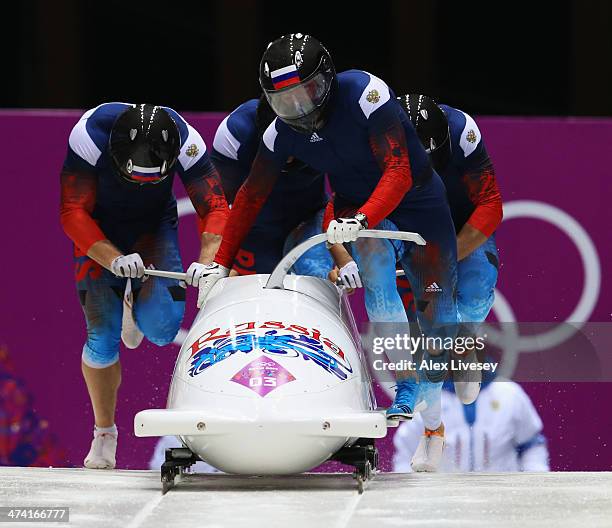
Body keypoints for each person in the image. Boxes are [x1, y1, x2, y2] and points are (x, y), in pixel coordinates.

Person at [194, 34, 459, 420]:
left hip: (418, 206)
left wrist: (361, 218)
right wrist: (220, 262)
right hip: (359, 215)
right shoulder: (279, 133)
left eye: (307, 93)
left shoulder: (367, 94)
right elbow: (250, 198)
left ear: (328, 80)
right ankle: (405, 387)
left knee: (440, 324)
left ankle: (435, 416)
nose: (299, 109)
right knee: (380, 292)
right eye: (285, 101)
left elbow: (399, 171)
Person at [60, 103, 229, 469]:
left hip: (152, 229)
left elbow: (215, 206)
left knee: (163, 330)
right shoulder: (89, 135)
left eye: (154, 179)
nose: (143, 185)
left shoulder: (187, 141)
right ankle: (104, 433)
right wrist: (112, 259)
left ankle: (133, 303)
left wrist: (208, 260)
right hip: (99, 230)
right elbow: (72, 211)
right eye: (135, 177)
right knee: (102, 340)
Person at [395, 94, 503, 468]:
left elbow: (491, 204)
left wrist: (448, 257)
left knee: (476, 287)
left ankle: (467, 338)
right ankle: (432, 431)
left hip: (459, 225)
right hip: (414, 234)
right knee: (426, 335)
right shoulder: (376, 140)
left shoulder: (463, 132)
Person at [211, 96, 331, 277]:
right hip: (257, 231)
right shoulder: (235, 132)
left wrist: (342, 257)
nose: (287, 158)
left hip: (309, 219)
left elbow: (345, 188)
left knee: (316, 272)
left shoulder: (324, 126)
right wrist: (217, 263)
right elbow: (214, 207)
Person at [393, 379, 549, 473]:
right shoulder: (426, 398)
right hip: (443, 502)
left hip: (503, 499)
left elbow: (532, 446)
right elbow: (406, 455)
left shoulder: (509, 394)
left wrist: (535, 485)